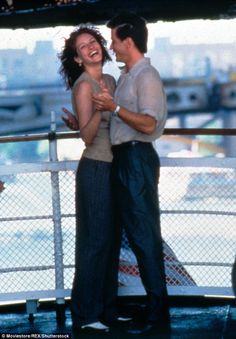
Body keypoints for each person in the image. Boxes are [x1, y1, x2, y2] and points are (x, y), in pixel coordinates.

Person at [92, 12, 170, 335]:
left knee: (144, 238)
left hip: (136, 159)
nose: (111, 45)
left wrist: (115, 109)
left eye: (113, 40)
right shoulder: (128, 75)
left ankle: (157, 314)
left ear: (128, 41)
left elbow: (150, 124)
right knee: (136, 236)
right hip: (125, 160)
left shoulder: (146, 76)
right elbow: (124, 121)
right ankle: (153, 308)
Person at [58, 25, 123, 333]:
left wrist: (106, 105)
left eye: (93, 41)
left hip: (113, 167)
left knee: (110, 243)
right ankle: (86, 315)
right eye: (83, 47)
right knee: (94, 244)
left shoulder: (108, 80)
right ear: (78, 58)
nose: (91, 47)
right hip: (95, 168)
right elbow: (86, 136)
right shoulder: (85, 86)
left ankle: (107, 310)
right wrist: (100, 109)